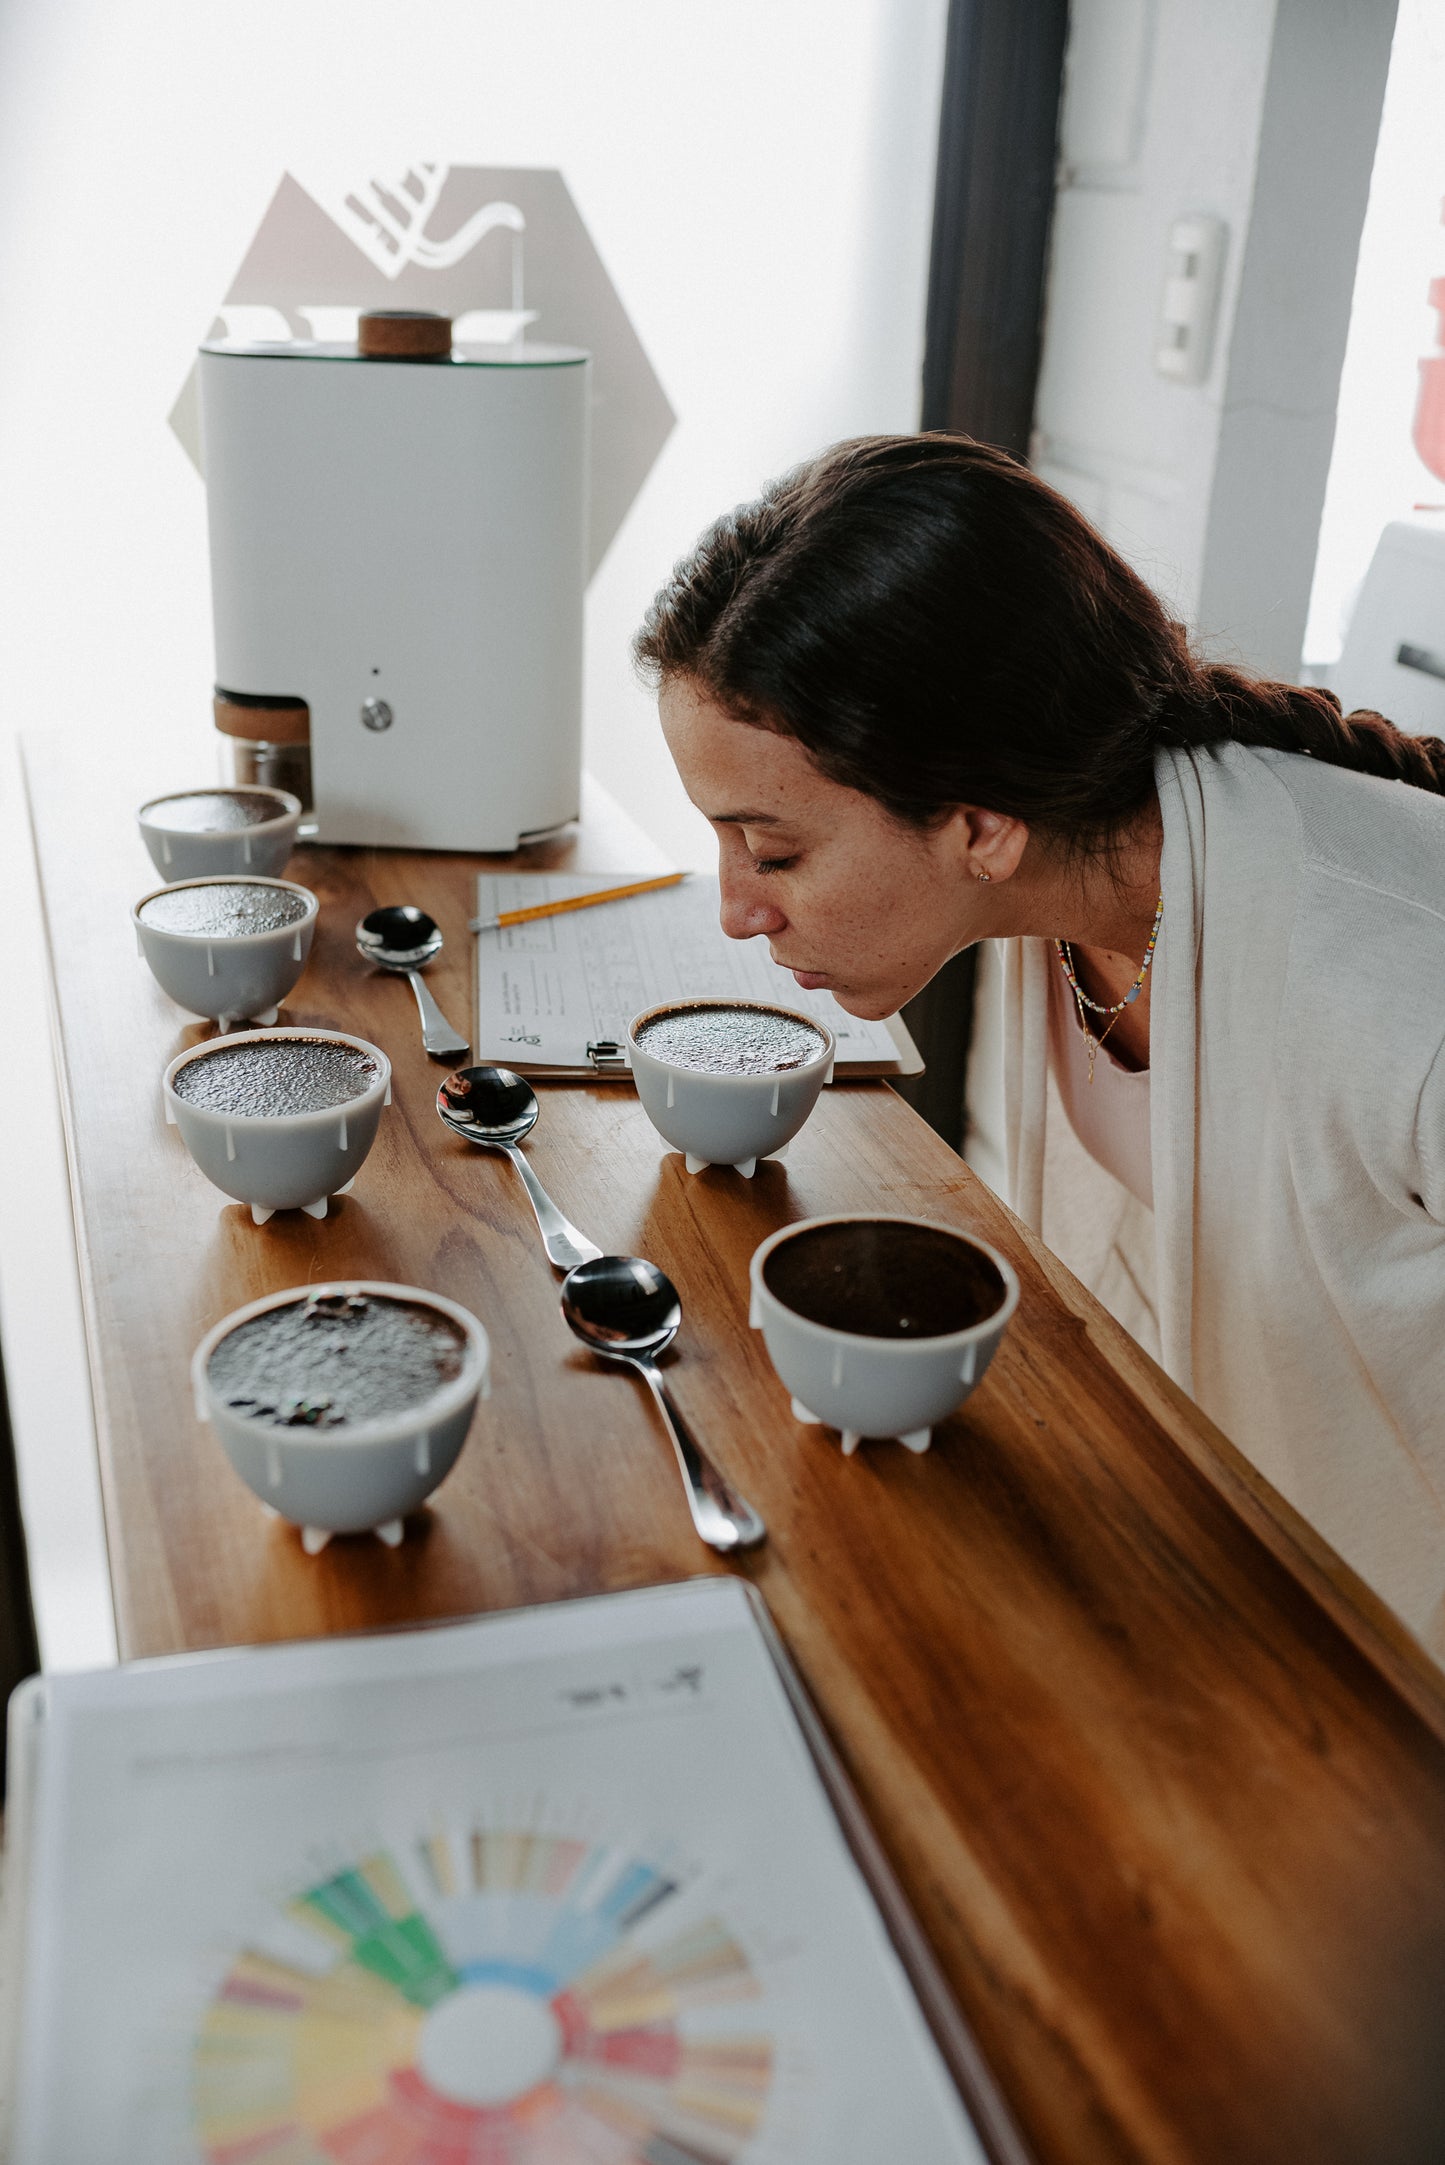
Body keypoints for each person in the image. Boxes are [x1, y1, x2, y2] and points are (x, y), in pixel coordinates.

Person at [635, 433, 1445, 1656]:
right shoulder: (1072, 885)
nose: (736, 909)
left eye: (775, 850)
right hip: (1217, 1565)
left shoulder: (1400, 996)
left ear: (979, 825)